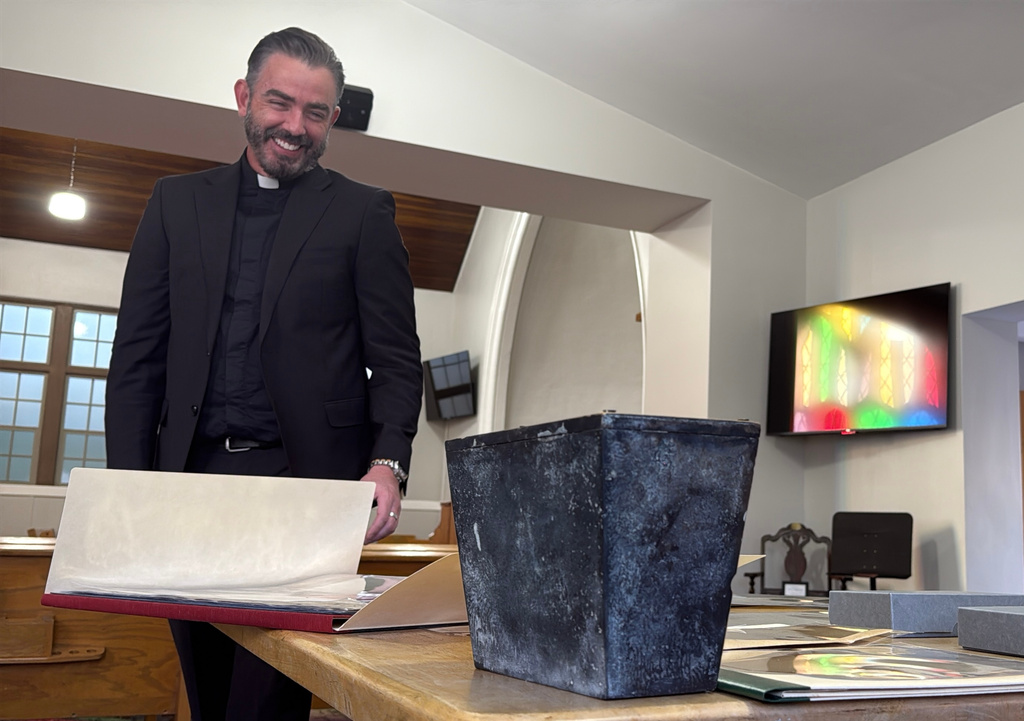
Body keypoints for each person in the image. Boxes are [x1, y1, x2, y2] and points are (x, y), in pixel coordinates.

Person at [105, 27, 422, 721]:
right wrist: (125, 490)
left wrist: (387, 460)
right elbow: (136, 362)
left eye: (316, 112)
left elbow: (397, 360)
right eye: (280, 103)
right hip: (188, 490)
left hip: (305, 493)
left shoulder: (363, 212)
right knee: (208, 688)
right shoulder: (174, 202)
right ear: (245, 97)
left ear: (334, 119)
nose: (294, 126)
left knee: (269, 697)